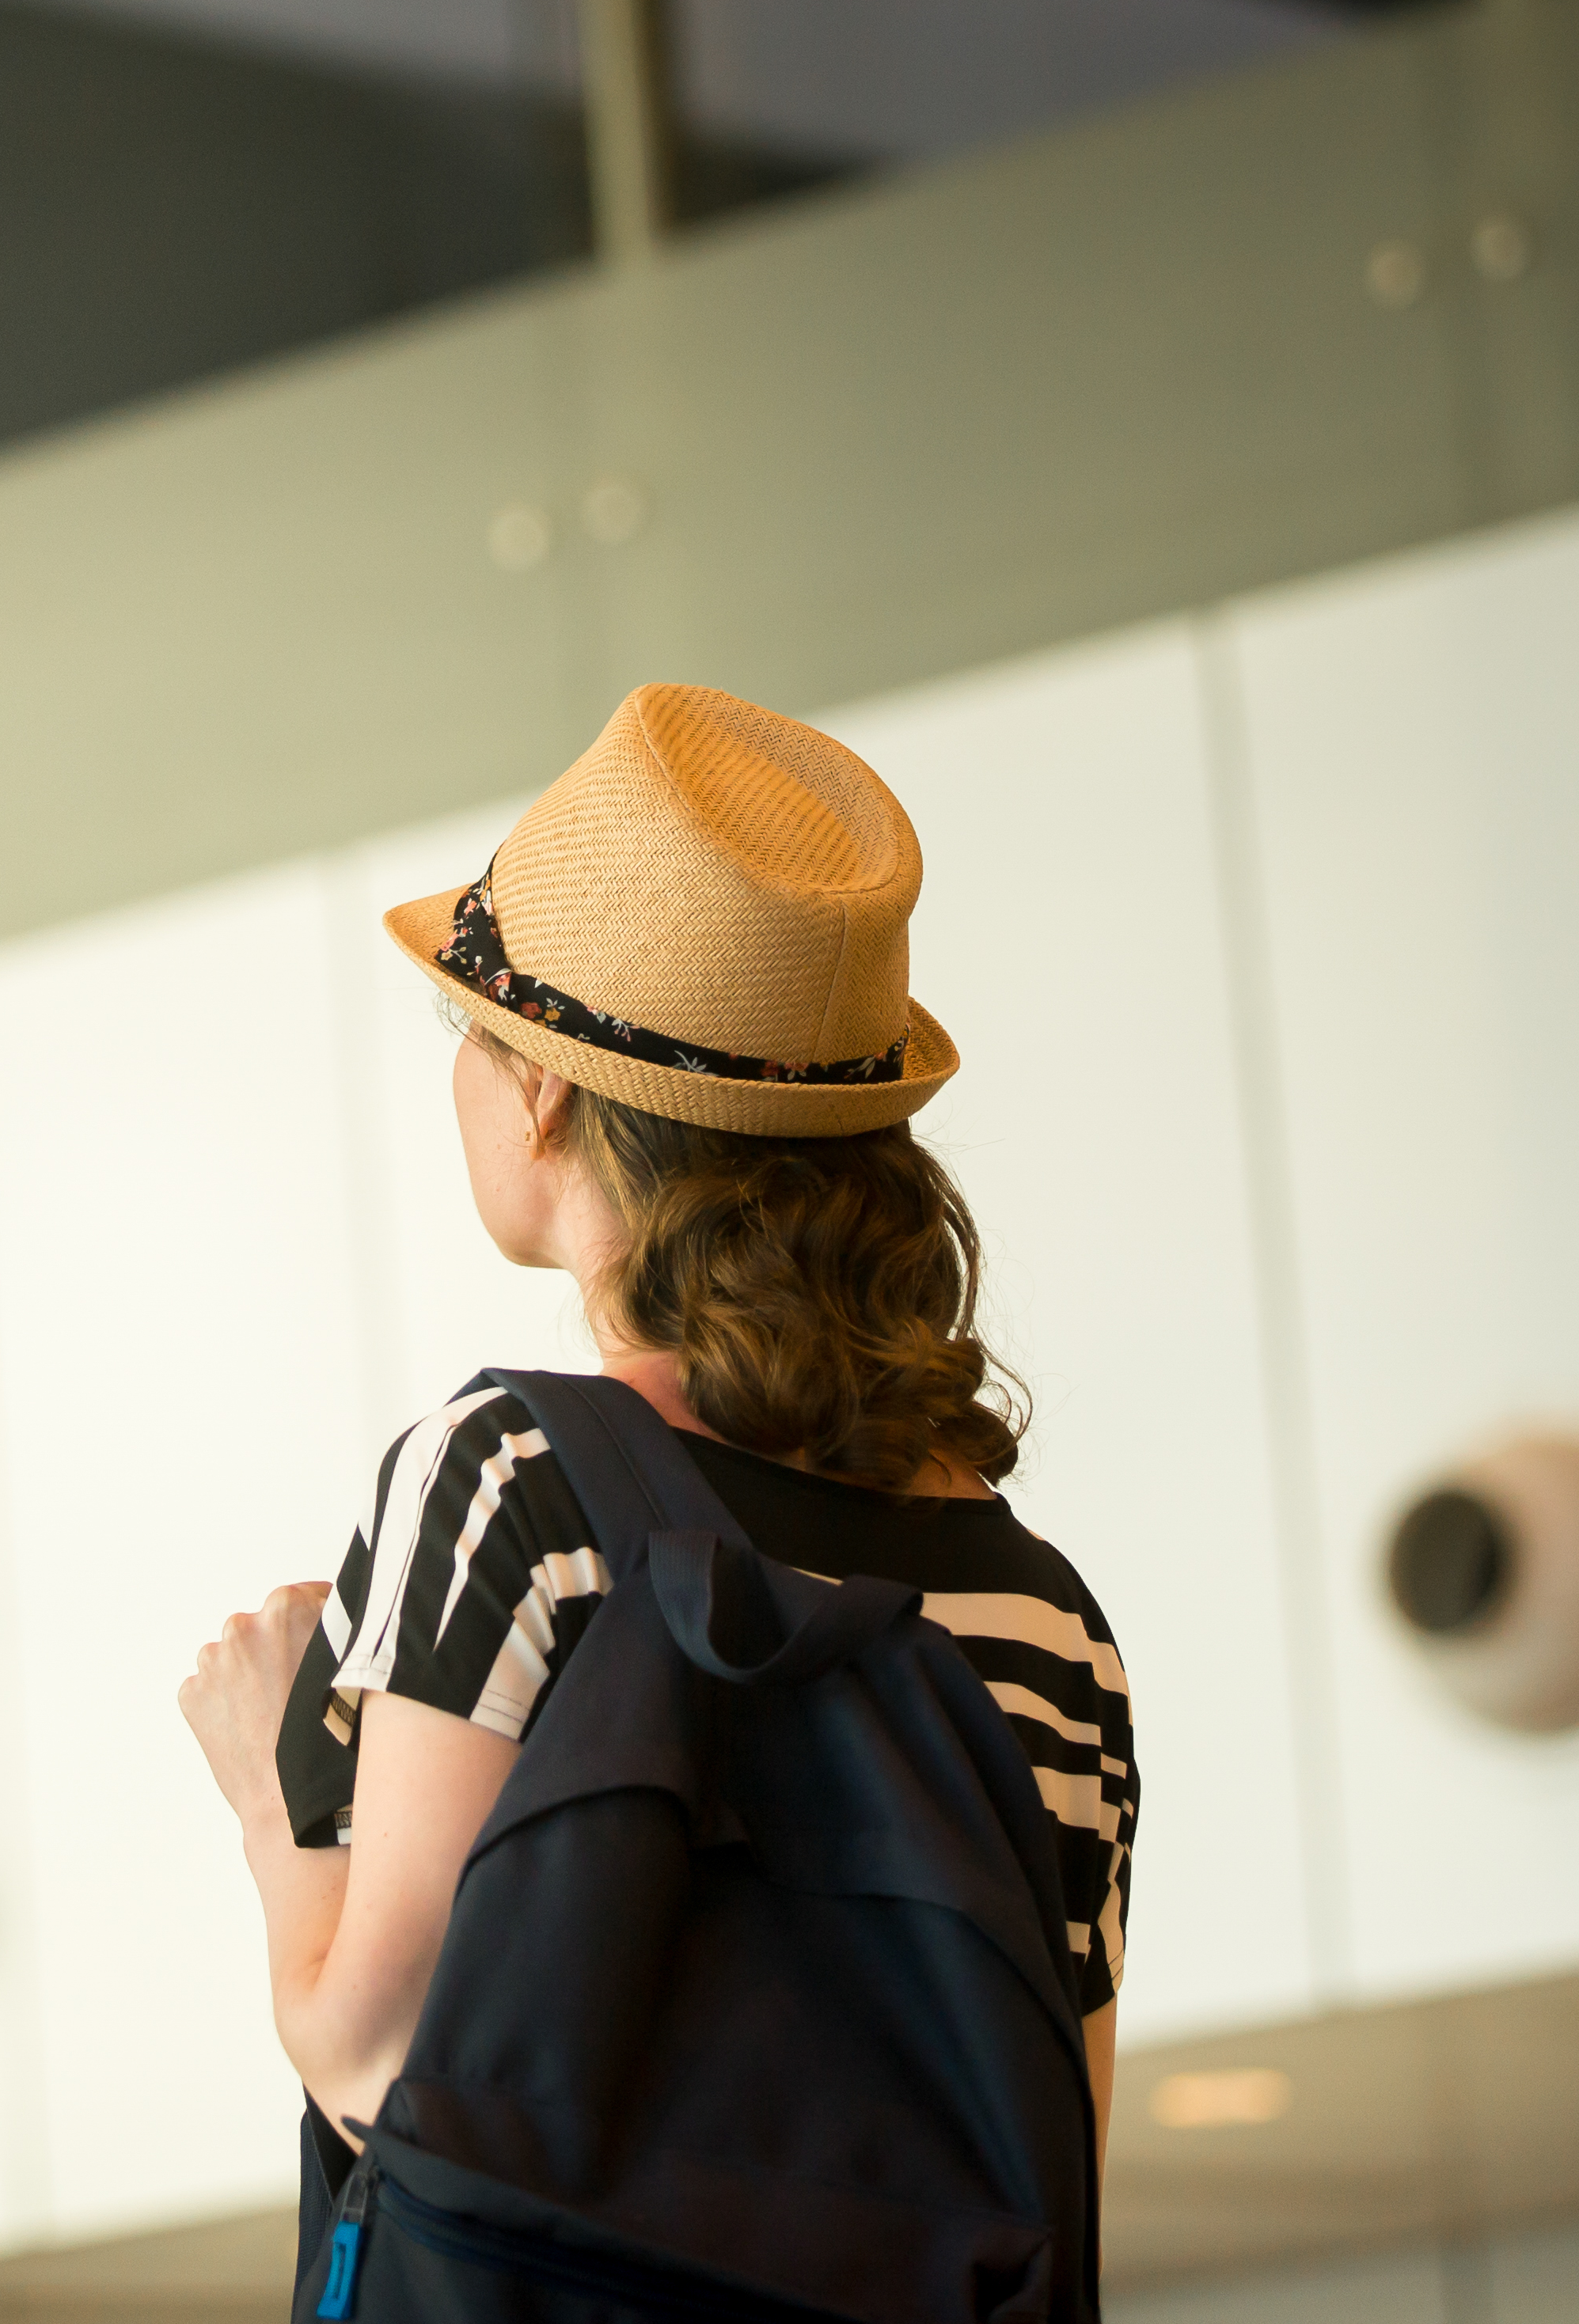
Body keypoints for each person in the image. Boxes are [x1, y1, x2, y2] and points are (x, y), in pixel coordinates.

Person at [176, 682, 1136, 2213]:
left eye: (469, 1032)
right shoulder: (1051, 1622)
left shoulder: (511, 1480)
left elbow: (390, 2071)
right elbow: (1057, 2171)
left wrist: (269, 1796)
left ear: (543, 1083)